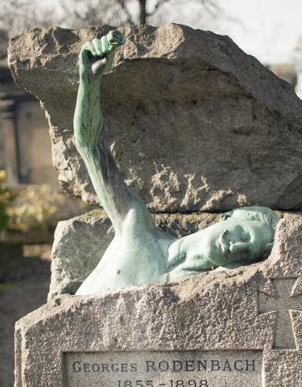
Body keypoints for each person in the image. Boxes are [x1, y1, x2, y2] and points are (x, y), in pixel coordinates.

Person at [72, 30, 279, 296]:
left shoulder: (200, 290)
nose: (236, 247)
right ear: (227, 218)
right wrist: (88, 84)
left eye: (245, 253)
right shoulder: (136, 227)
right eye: (243, 235)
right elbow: (91, 146)